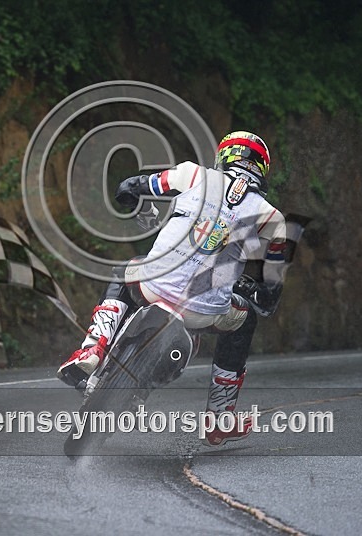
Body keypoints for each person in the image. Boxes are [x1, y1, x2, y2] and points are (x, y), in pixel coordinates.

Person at [57, 131, 289, 446]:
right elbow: (268, 299)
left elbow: (128, 188)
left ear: (223, 157)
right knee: (245, 319)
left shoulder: (193, 174)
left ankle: (92, 348)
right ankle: (220, 416)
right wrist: (248, 289)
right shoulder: (274, 221)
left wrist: (140, 209)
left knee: (124, 272)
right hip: (204, 313)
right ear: (261, 169)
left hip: (154, 285)